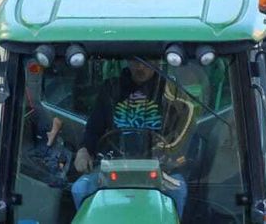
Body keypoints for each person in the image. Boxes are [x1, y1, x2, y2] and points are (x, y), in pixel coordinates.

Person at [69, 60, 189, 216]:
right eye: (135, 61)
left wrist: (171, 160)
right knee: (80, 189)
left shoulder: (171, 92)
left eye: (147, 61)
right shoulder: (111, 89)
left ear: (158, 62)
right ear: (127, 60)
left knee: (179, 191)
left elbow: (180, 134)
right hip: (113, 167)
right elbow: (93, 129)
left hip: (159, 168)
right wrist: (84, 149)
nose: (140, 67)